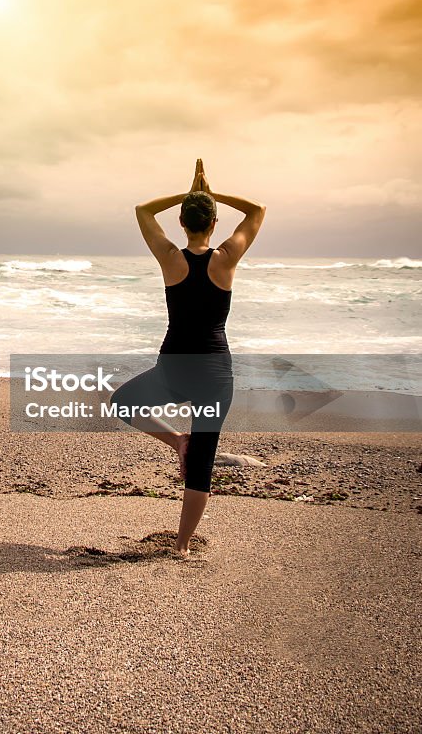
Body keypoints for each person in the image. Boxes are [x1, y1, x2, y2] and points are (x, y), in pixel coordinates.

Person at [109, 159, 266, 557]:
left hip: (174, 369)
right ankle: (181, 546)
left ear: (181, 221)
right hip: (215, 373)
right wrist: (210, 195)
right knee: (202, 460)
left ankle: (176, 439)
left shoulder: (170, 258)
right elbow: (256, 211)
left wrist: (191, 195)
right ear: (214, 223)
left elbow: (143, 211)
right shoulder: (226, 257)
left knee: (123, 403)